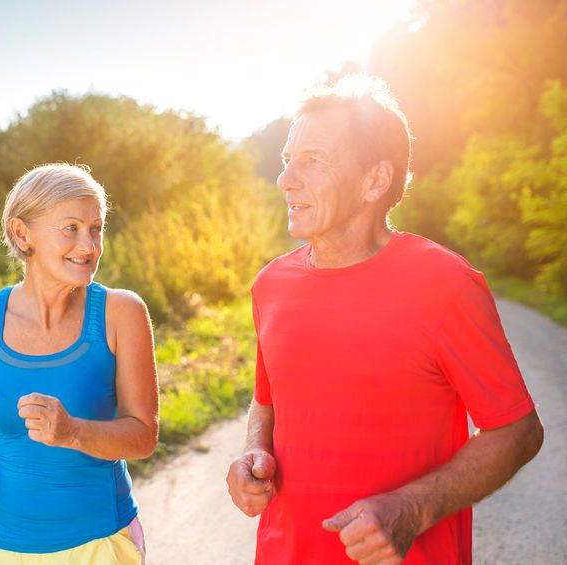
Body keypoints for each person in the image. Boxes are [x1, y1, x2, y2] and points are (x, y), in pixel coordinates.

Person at [226, 75, 544, 564]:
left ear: (374, 180)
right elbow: (267, 401)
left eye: (313, 160)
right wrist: (254, 452)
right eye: (288, 160)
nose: (286, 179)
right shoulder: (271, 283)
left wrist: (412, 510)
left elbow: (518, 431)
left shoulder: (445, 283)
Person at [0, 163, 158, 564]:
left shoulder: (120, 313)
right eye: (71, 228)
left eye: (96, 229)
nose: (89, 246)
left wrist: (73, 432)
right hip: (1, 546)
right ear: (22, 234)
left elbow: (143, 436)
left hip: (100, 542)